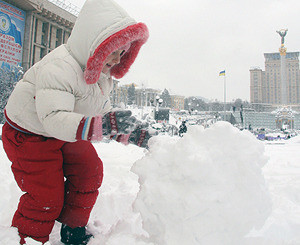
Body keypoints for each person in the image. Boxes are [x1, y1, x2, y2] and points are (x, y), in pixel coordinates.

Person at [1, 0, 150, 244]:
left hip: (63, 131)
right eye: (113, 50)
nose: (116, 59)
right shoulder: (59, 67)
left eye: (122, 52)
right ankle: (27, 237)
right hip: (28, 135)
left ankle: (73, 227)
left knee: (89, 171)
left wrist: (133, 133)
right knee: (46, 195)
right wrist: (101, 126)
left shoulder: (101, 75)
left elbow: (102, 111)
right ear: (95, 44)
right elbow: (53, 118)